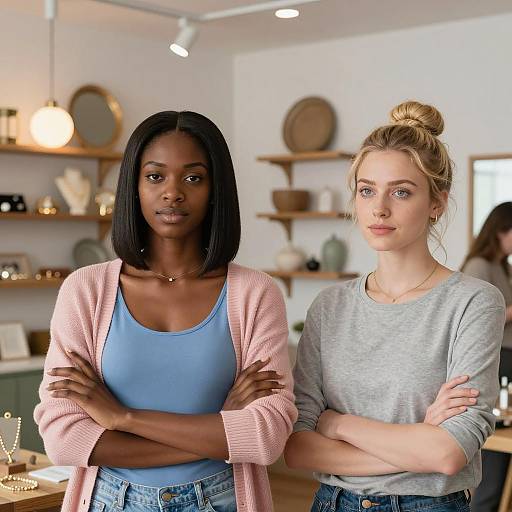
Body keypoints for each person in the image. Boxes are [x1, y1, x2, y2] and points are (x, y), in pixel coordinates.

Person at [34, 111, 297, 512]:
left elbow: (266, 436)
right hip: (110, 501)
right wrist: (221, 429)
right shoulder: (84, 291)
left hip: (221, 500)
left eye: (193, 178)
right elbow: (64, 438)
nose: (173, 192)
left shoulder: (255, 294)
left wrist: (122, 418)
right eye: (155, 176)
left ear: (214, 190)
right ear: (134, 187)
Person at [284, 101, 506, 512]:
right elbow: (297, 448)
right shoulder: (329, 306)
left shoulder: (472, 302)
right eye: (367, 190)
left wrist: (336, 423)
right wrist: (417, 438)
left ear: (437, 202)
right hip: (332, 503)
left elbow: (448, 454)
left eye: (401, 191)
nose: (379, 208)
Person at [461, 202, 512, 512]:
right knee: (495, 443)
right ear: (502, 231)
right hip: (498, 361)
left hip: (508, 360)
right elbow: (478, 319)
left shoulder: (505, 266)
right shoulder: (479, 266)